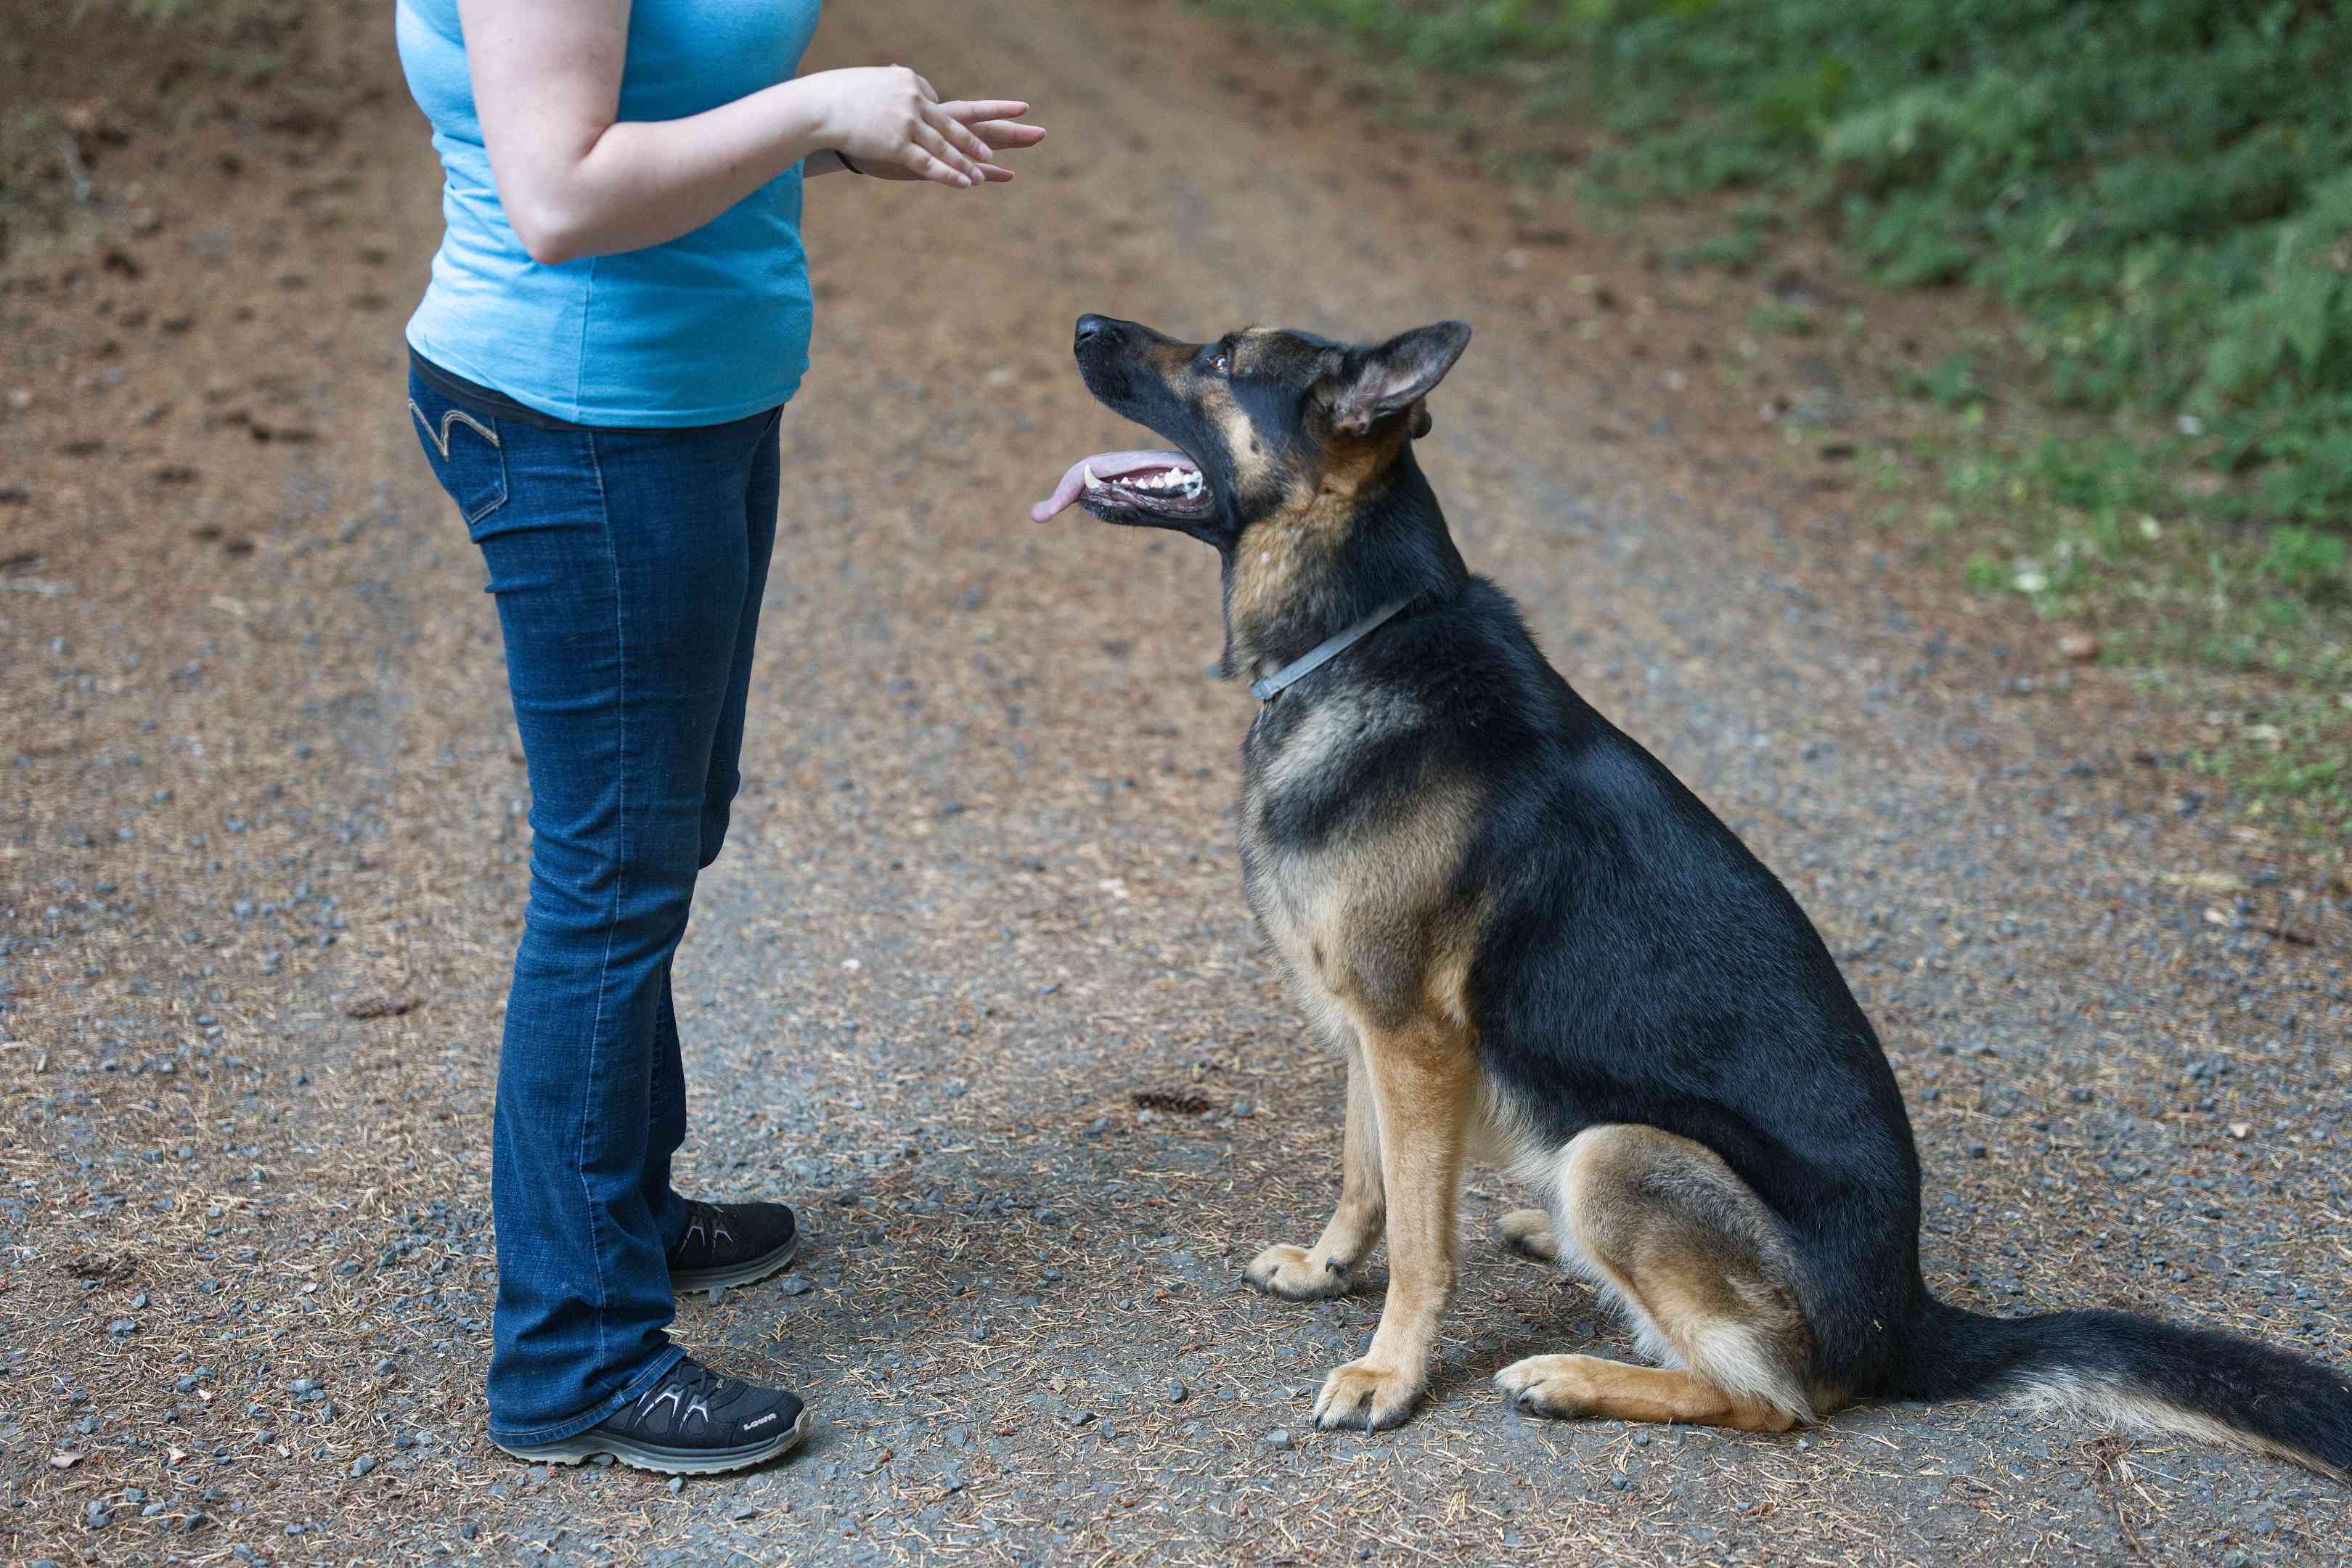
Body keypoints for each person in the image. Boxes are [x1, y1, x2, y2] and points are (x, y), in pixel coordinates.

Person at [393, 0, 1042, 1475]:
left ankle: (614, 1206)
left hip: (686, 406)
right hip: (583, 417)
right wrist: (815, 112)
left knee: (669, 830)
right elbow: (559, 195)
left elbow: (658, 108)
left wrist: (847, 142)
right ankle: (572, 1349)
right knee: (612, 876)